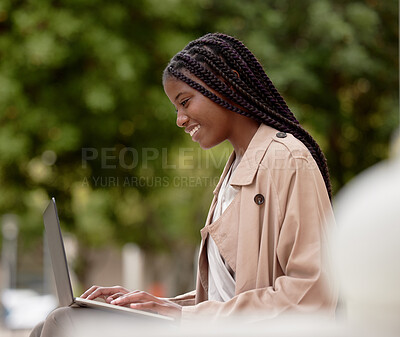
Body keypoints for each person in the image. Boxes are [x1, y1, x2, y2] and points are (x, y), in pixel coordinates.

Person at [30, 32, 337, 336]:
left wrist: (179, 317)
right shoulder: (235, 170)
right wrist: (151, 305)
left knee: (66, 323)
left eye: (185, 102)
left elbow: (312, 295)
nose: (179, 119)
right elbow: (223, 298)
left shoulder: (287, 159)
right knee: (54, 322)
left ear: (226, 83)